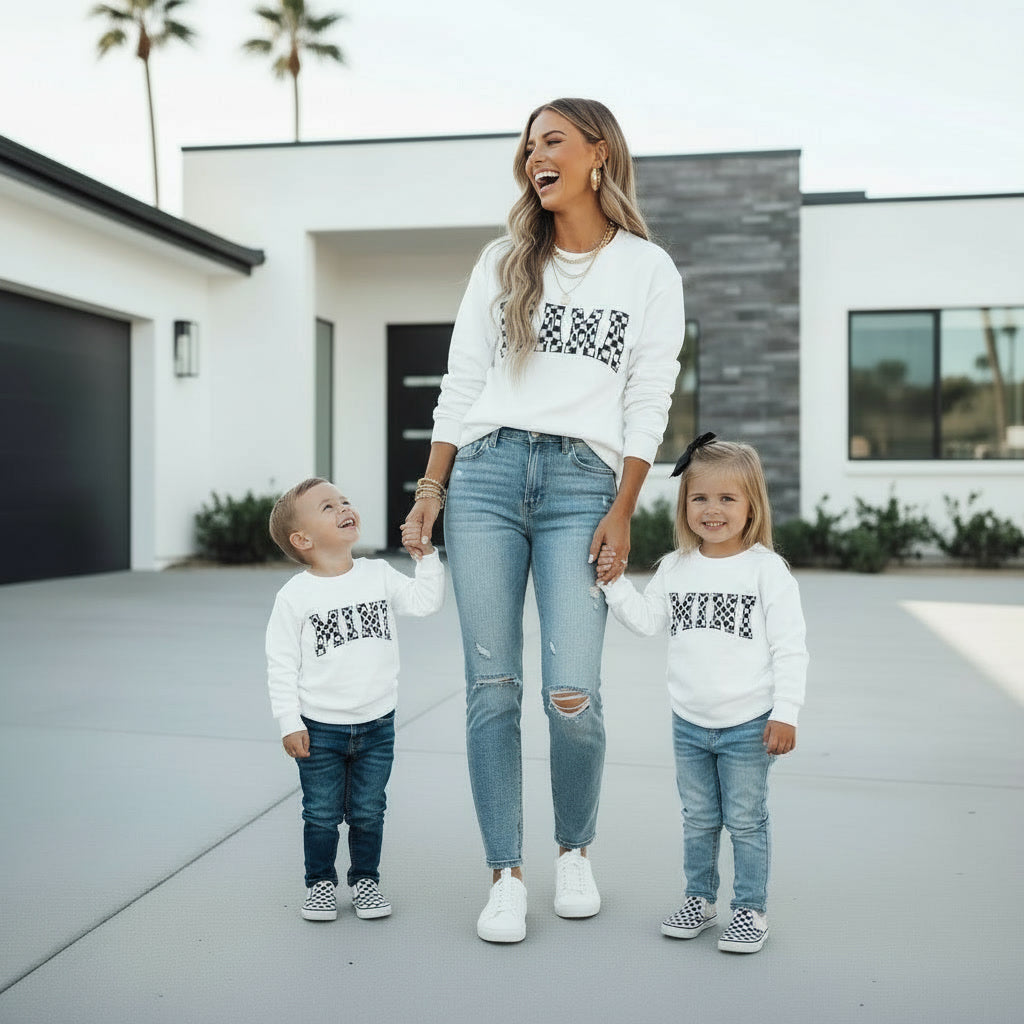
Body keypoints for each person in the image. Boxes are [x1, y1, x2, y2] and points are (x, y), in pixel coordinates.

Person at [401, 97, 685, 943]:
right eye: (528, 146)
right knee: (492, 692)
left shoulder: (647, 268)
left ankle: (574, 853)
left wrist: (625, 508)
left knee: (574, 694)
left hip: (582, 486)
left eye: (552, 140)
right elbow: (460, 380)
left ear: (600, 152)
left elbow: (648, 396)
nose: (535, 156)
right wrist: (430, 489)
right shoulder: (502, 260)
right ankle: (504, 873)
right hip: (485, 478)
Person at [597, 434, 808, 953]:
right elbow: (648, 623)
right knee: (698, 819)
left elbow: (791, 649)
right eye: (700, 498)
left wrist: (787, 713)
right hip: (689, 723)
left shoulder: (766, 571)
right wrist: (614, 583)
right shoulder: (675, 567)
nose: (712, 510)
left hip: (748, 724)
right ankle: (700, 899)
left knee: (746, 820)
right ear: (683, 504)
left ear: (751, 505)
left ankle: (749, 909)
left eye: (727, 498)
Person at [266, 478, 444, 923]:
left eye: (343, 500)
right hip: (319, 728)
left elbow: (424, 603)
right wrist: (289, 721)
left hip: (377, 725)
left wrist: (427, 560)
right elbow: (281, 664)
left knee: (368, 810)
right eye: (328, 506)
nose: (345, 507)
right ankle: (320, 884)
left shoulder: (377, 575)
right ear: (302, 539)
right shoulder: (295, 597)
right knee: (321, 814)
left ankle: (366, 880)